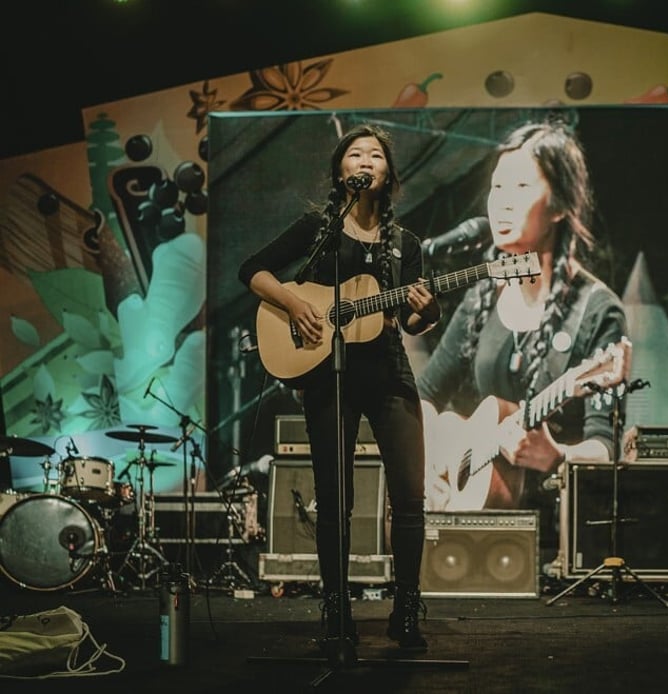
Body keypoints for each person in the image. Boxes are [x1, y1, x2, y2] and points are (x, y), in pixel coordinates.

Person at [238, 123, 439, 652]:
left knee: (410, 496)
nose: (366, 160)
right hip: (332, 376)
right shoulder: (317, 228)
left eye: (376, 154)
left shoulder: (405, 245)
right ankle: (336, 609)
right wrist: (295, 303)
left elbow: (412, 321)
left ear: (388, 174)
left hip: (389, 373)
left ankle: (406, 607)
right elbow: (252, 271)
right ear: (340, 172)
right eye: (355, 154)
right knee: (335, 498)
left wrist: (428, 311)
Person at [417, 119, 630, 533]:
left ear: (560, 206)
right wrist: (436, 456)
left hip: (558, 536)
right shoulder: (482, 296)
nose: (502, 203)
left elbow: (606, 447)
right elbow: (423, 396)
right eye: (497, 188)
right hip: (476, 533)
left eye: (521, 188)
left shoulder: (597, 311)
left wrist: (557, 456)